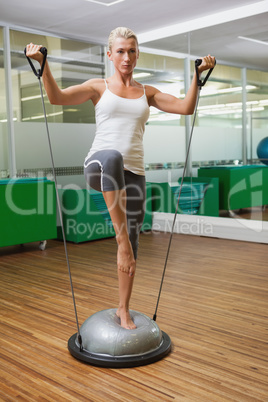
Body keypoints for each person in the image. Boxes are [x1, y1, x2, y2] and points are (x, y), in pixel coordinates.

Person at [26, 27, 215, 330]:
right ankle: (120, 240)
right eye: (120, 51)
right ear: (110, 54)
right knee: (113, 160)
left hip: (135, 174)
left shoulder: (146, 92)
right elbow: (57, 97)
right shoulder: (98, 86)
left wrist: (197, 75)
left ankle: (123, 309)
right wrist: (43, 64)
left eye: (132, 51)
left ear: (137, 54)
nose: (126, 57)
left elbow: (185, 107)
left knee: (134, 243)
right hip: (99, 166)